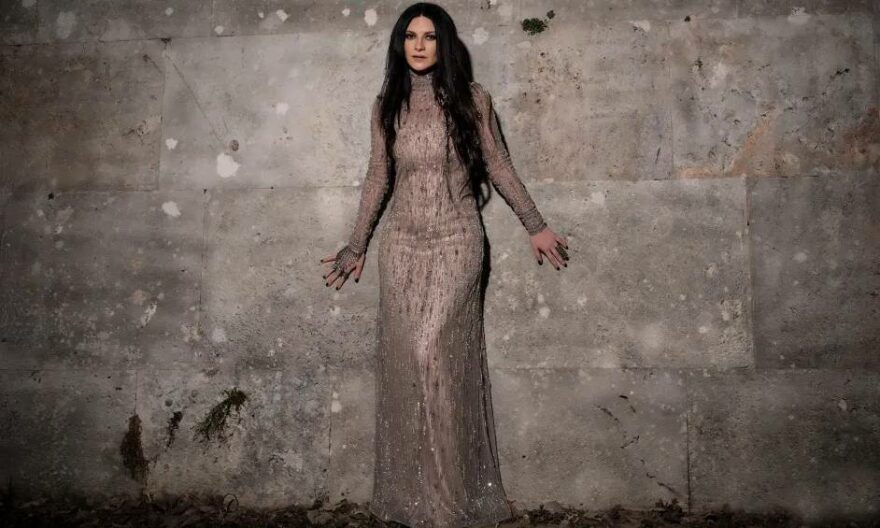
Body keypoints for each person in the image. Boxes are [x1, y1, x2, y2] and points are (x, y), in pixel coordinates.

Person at [320, 3, 569, 527]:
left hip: (457, 243)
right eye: (410, 36)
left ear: (444, 43)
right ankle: (416, 501)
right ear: (400, 44)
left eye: (429, 36)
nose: (419, 45)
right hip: (401, 246)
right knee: (410, 365)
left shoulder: (473, 99)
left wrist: (535, 223)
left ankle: (450, 502)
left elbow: (499, 164)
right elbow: (377, 176)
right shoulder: (386, 105)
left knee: (435, 356)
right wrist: (356, 244)